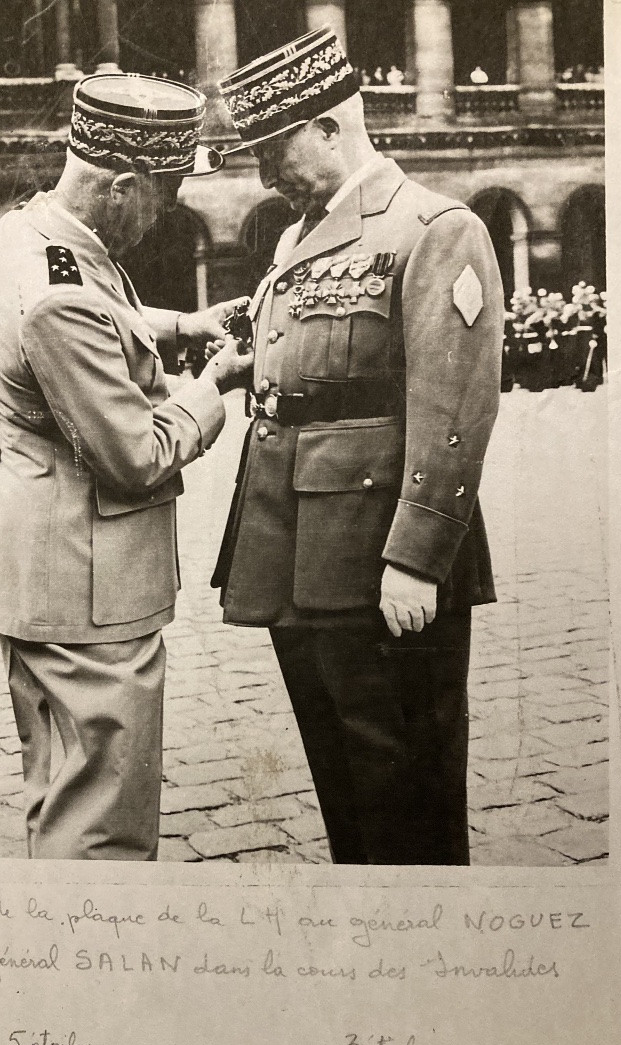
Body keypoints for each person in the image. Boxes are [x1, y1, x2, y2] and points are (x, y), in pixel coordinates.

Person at [0, 73, 252, 860]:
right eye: (163, 195)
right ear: (123, 185)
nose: (163, 213)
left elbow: (100, 310)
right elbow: (136, 457)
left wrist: (185, 323)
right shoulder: (58, 292)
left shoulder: (29, 233)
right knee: (103, 821)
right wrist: (212, 391)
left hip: (43, 569)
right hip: (88, 584)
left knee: (60, 791)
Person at [212, 28, 504, 865]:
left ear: (333, 127)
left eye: (275, 151)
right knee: (342, 772)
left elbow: (456, 406)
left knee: (403, 773)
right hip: (296, 551)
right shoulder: (294, 238)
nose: (264, 175)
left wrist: (417, 556)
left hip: (377, 553)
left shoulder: (434, 227)